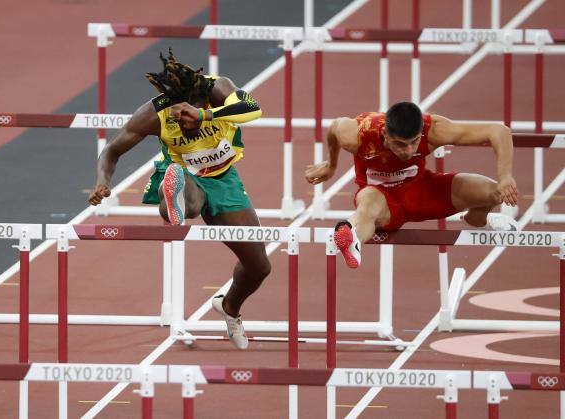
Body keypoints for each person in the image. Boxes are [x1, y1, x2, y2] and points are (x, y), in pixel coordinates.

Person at [88, 49, 269, 349]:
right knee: (190, 201)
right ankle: (173, 194)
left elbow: (254, 109)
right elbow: (112, 151)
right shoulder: (155, 112)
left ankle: (230, 307)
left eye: (188, 115)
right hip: (185, 172)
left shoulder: (216, 88)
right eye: (178, 115)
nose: (183, 121)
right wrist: (102, 182)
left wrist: (206, 115)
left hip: (223, 178)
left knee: (259, 266)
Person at [305, 101, 519, 269]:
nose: (407, 151)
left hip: (423, 191)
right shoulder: (360, 133)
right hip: (383, 201)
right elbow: (334, 128)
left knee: (494, 192)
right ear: (385, 134)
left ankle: (478, 218)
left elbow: (498, 131)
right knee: (368, 202)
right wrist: (331, 164)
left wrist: (505, 176)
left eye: (414, 142)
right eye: (399, 144)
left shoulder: (433, 129)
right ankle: (352, 236)